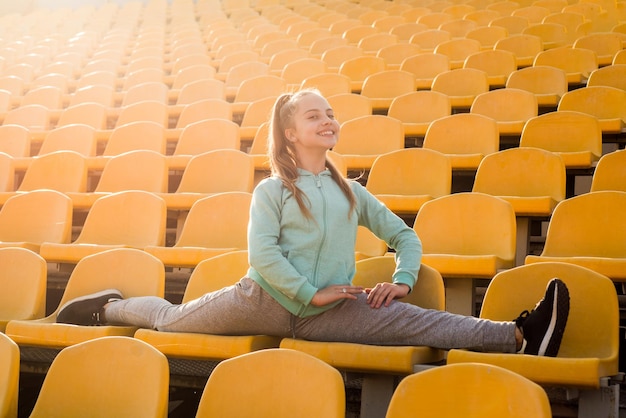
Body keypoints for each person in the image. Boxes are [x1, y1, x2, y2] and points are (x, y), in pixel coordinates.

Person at [57, 89, 570, 357]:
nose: (328, 121)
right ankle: (110, 307)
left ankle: (522, 334)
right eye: (314, 116)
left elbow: (404, 236)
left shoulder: (352, 192)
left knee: (420, 320)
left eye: (330, 114)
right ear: (289, 131)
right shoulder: (272, 190)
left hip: (332, 311)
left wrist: (402, 280)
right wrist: (310, 292)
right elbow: (264, 258)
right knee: (170, 319)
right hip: (260, 302)